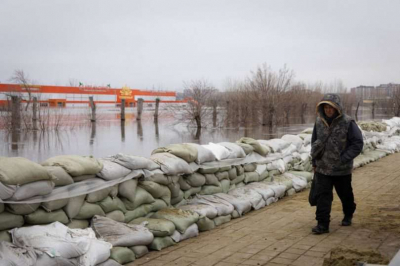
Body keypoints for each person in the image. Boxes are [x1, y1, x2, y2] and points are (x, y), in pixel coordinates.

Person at [310, 93, 364, 234]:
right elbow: (314, 143)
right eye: (326, 107)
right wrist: (314, 161)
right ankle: (322, 224)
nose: (328, 110)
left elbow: (357, 143)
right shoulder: (319, 122)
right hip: (323, 168)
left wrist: (344, 158)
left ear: (337, 108)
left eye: (331, 107)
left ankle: (348, 213)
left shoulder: (348, 122)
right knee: (323, 196)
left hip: (341, 169)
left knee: (345, 194)